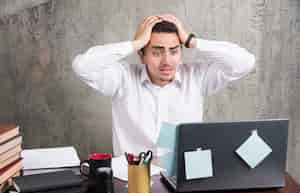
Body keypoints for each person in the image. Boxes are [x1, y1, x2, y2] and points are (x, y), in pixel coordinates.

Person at [72, 14, 255, 156]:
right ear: (141, 55)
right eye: (157, 52)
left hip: (182, 181)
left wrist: (191, 40)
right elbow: (83, 66)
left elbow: (244, 62)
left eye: (174, 51)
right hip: (132, 181)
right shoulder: (122, 79)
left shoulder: (197, 78)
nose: (167, 61)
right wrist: (134, 43)